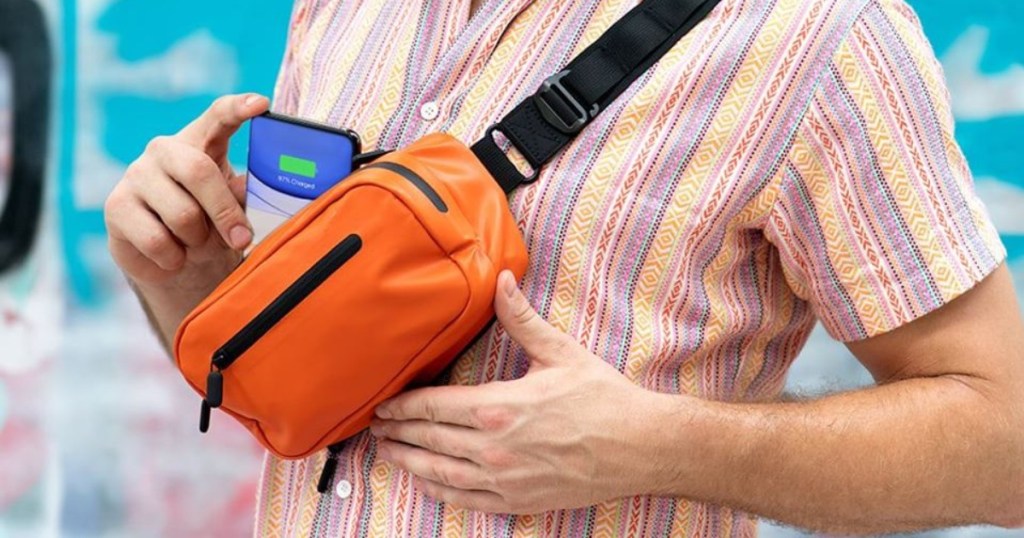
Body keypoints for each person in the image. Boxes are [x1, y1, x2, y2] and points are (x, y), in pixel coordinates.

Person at [103, 0, 1024, 535]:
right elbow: (294, 373)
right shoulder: (345, 10)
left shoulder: (823, 36)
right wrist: (174, 268)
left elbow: (1005, 442)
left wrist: (666, 446)